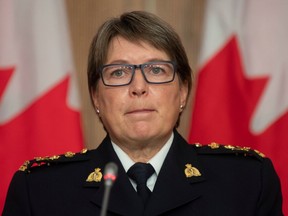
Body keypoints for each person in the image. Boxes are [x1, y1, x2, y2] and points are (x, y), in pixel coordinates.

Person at [3, 11, 283, 216]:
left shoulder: (246, 182)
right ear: (96, 96)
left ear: (183, 91)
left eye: (157, 70)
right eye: (119, 72)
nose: (139, 87)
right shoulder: (39, 191)